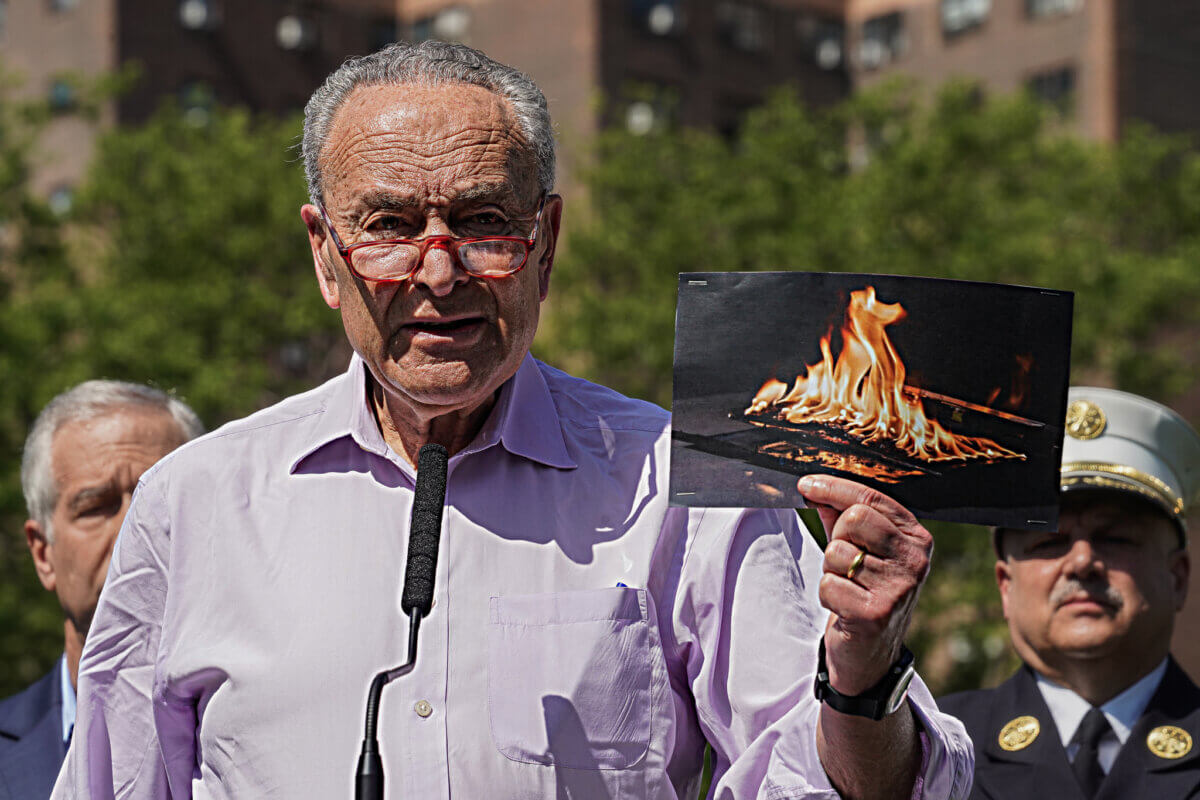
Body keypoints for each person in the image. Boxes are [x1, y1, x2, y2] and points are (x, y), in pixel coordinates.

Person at [52, 41, 971, 799]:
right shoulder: (196, 504)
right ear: (324, 255)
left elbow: (839, 784)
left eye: (484, 222)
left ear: (547, 244)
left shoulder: (679, 480)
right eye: (389, 225)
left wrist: (860, 677)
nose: (439, 272)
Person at [940, 386, 1200, 799]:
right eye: (1048, 543)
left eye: (1115, 538)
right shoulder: (930, 749)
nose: (1081, 562)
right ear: (1005, 586)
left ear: (1179, 577)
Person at [0, 381, 202, 800]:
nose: (134, 530)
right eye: (95, 507)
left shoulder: (269, 724)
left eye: (160, 501)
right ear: (42, 553)